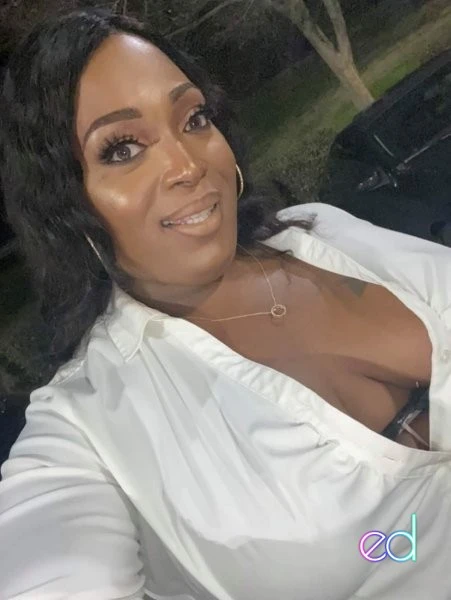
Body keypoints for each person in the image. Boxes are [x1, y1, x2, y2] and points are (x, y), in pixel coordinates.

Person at [0, 7, 450, 600]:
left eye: (194, 118)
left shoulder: (320, 231)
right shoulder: (86, 429)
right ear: (64, 203)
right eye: (122, 149)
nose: (188, 165)